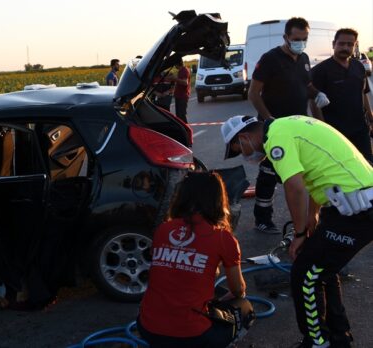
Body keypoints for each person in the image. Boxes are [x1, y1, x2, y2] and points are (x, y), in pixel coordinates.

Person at [222, 115, 373, 348]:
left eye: (238, 148)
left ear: (244, 137)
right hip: (348, 206)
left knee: (304, 274)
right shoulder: (286, 126)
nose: (244, 155)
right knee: (322, 269)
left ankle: (316, 342)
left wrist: (299, 234)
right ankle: (338, 336)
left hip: (358, 211)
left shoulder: (276, 139)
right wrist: (313, 215)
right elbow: (314, 174)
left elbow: (295, 187)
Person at [138, 171, 254, 348]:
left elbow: (171, 273)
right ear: (217, 199)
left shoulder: (164, 229)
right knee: (245, 309)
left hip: (148, 328)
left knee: (217, 291)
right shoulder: (223, 238)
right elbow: (238, 290)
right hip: (193, 335)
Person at [246, 17, 329, 234]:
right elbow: (253, 93)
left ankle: (307, 219)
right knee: (269, 173)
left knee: (299, 172)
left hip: (298, 128)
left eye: (304, 39)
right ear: (285, 37)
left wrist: (317, 94)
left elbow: (306, 84)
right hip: (274, 126)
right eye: (296, 39)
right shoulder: (270, 59)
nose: (300, 43)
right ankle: (262, 219)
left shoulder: (304, 58)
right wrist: (269, 119)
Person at [310, 28, 373, 161]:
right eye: (341, 43)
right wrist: (323, 129)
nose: (345, 47)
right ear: (334, 44)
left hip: (361, 129)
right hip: (335, 131)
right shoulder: (320, 71)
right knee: (342, 169)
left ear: (355, 46)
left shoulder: (358, 67)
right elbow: (314, 102)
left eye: (350, 44)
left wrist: (370, 117)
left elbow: (363, 92)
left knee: (367, 166)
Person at [173, 57, 191, 123]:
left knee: (182, 115)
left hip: (182, 96)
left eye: (175, 64)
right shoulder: (180, 71)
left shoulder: (184, 70)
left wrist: (175, 79)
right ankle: (182, 130)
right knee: (178, 116)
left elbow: (185, 82)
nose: (174, 66)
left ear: (177, 64)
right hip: (178, 96)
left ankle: (186, 130)